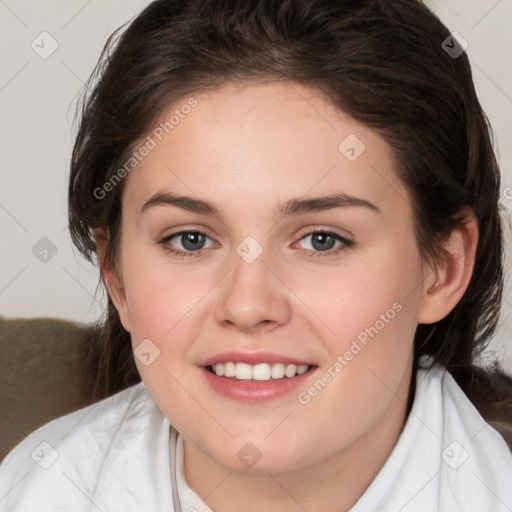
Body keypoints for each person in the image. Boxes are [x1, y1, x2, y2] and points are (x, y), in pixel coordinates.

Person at [1, 0, 512, 510]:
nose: (247, 306)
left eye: (321, 240)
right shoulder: (34, 490)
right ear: (117, 276)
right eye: (190, 239)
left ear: (442, 269)